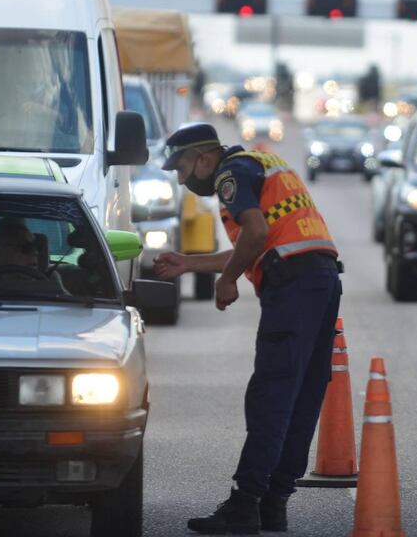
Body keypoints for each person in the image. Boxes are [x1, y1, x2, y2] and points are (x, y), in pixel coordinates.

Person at [154, 122, 342, 534]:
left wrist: (226, 281)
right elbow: (258, 240)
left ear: (203, 158)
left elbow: (255, 232)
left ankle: (244, 505)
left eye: (183, 169)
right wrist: (191, 263)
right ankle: (273, 504)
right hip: (321, 279)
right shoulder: (262, 162)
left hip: (293, 287)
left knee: (271, 395)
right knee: (302, 393)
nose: (183, 180)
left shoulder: (229, 174)